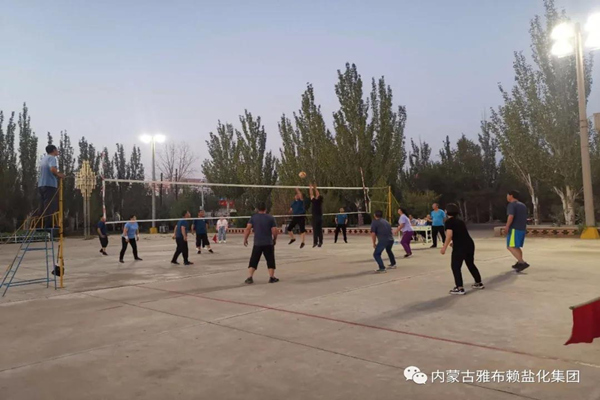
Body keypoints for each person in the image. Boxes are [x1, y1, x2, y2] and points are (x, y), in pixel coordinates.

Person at [440, 203, 484, 295]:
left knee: (455, 266)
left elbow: (449, 235)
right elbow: (461, 233)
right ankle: (478, 282)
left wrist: (444, 247)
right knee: (470, 263)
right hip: (469, 244)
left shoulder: (449, 222)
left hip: (460, 246)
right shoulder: (460, 221)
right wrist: (454, 242)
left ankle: (459, 287)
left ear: (447, 211)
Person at [244, 203, 279, 284]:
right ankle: (271, 277)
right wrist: (274, 239)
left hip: (257, 243)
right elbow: (274, 230)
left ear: (257, 209)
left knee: (254, 260)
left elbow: (248, 229)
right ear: (265, 209)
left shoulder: (253, 217)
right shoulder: (270, 218)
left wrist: (245, 239)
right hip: (268, 242)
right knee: (270, 260)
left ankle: (250, 277)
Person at [37, 145, 65, 228]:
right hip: (49, 184)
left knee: (42, 205)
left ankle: (40, 223)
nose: (57, 151)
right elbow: (52, 169)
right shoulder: (52, 158)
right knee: (50, 205)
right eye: (56, 150)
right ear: (53, 150)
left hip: (41, 184)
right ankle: (49, 224)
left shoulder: (44, 159)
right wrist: (59, 175)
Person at [506, 190, 530, 272]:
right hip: (521, 228)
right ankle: (519, 262)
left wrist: (507, 226)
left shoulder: (512, 205)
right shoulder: (522, 205)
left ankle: (522, 262)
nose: (507, 197)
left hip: (514, 229)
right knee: (516, 246)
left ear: (511, 195)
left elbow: (511, 216)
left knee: (510, 246)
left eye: (507, 195)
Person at [309, 184, 324, 248]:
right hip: (320, 218)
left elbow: (311, 194)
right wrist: (315, 188)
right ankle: (320, 242)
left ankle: (315, 242)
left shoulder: (314, 201)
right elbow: (317, 194)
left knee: (315, 230)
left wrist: (310, 188)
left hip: (315, 218)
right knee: (319, 230)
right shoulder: (320, 202)